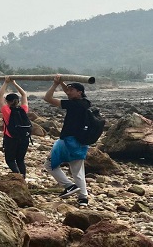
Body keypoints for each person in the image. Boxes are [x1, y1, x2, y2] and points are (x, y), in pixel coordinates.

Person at [43, 75, 90, 207]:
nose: (68, 92)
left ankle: (69, 186)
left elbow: (48, 98)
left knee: (49, 165)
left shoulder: (73, 105)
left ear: (79, 92)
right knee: (78, 171)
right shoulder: (86, 102)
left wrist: (54, 85)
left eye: (71, 90)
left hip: (67, 141)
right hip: (81, 142)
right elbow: (69, 93)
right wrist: (61, 82)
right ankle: (83, 198)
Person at [0, 76, 29, 178]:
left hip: (11, 138)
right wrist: (14, 83)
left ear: (8, 102)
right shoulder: (23, 109)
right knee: (20, 160)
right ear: (17, 101)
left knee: (10, 160)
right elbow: (24, 94)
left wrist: (6, 82)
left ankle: (18, 177)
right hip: (24, 138)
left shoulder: (7, 111)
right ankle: (23, 177)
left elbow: (0, 95)